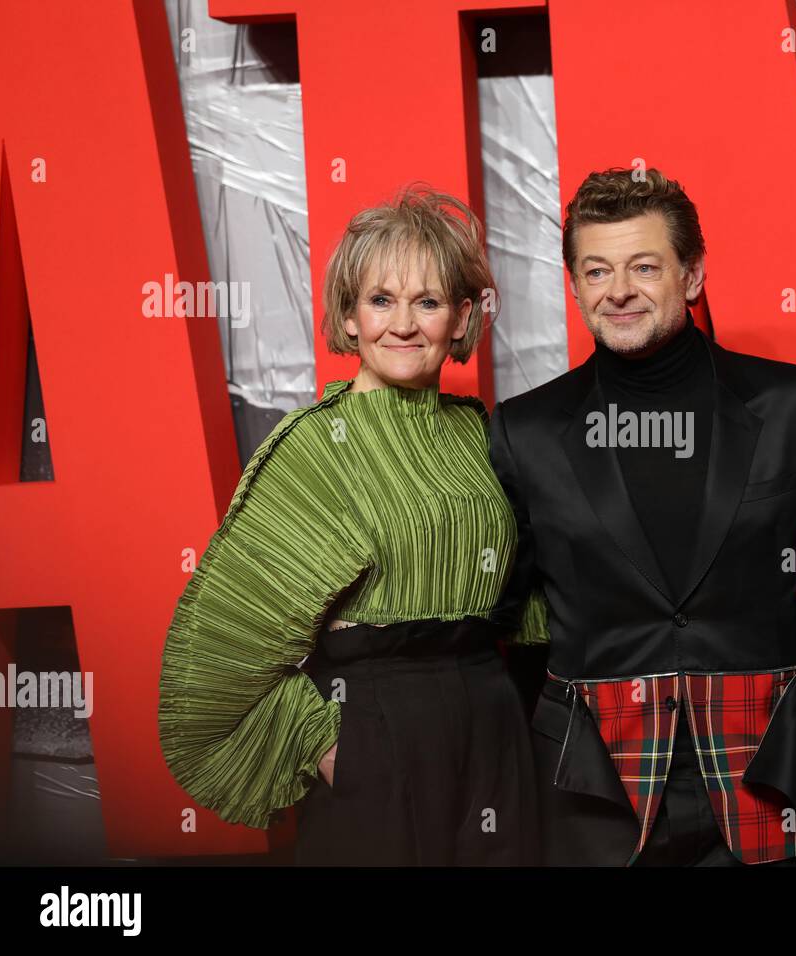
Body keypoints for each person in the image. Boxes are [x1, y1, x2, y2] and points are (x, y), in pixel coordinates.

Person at [158, 183, 537, 865]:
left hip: (495, 732)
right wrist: (338, 749)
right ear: (351, 316)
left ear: (460, 318)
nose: (403, 323)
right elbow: (215, 663)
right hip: (379, 734)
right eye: (381, 300)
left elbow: (533, 596)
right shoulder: (314, 447)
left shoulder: (481, 434)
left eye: (427, 301)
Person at [489, 167, 796, 865]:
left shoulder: (793, 406)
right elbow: (506, 617)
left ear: (692, 275)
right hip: (594, 791)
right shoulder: (524, 432)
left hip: (767, 773)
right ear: (574, 284)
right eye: (596, 270)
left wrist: (779, 656)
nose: (618, 289)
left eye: (644, 266)